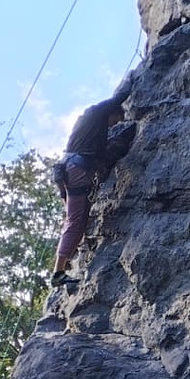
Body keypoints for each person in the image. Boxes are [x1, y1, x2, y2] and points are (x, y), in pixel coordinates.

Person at [50, 74, 137, 286]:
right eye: (115, 120)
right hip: (77, 171)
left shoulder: (86, 125)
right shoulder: (97, 113)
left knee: (75, 220)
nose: (114, 125)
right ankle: (58, 273)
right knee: (75, 222)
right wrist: (131, 80)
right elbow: (119, 97)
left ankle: (64, 263)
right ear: (111, 113)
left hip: (68, 170)